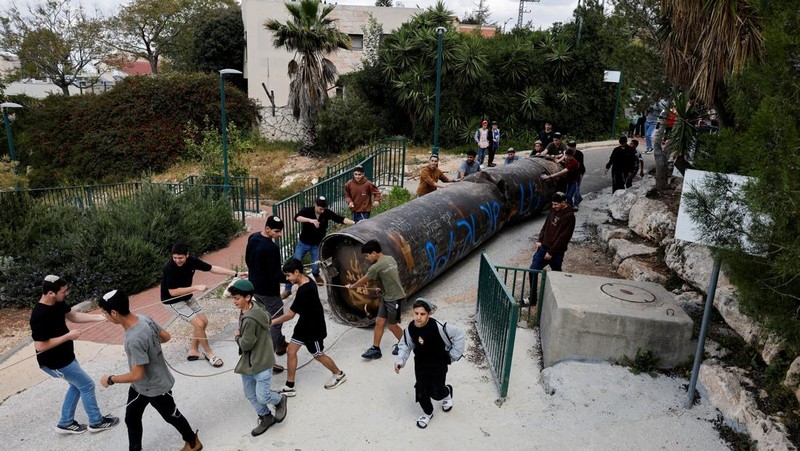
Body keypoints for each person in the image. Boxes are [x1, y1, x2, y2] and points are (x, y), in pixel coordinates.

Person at [98, 290, 201, 451]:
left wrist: (111, 379)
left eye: (104, 313)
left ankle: (192, 442)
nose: (105, 317)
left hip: (156, 387)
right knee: (131, 417)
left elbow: (136, 375)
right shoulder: (143, 318)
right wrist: (151, 347)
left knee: (171, 416)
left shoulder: (134, 339)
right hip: (140, 387)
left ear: (114, 313)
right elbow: (166, 337)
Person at [30, 275, 120, 435]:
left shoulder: (58, 302)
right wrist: (68, 336)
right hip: (55, 362)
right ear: (51, 293)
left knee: (77, 386)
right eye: (63, 291)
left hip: (66, 357)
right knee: (87, 385)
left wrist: (101, 317)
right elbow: (41, 346)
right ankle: (96, 422)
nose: (66, 293)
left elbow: (74, 316)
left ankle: (65, 422)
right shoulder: (39, 315)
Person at [272, 258, 347, 396]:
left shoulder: (305, 290)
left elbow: (289, 315)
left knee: (318, 355)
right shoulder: (306, 280)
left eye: (288, 275)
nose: (287, 279)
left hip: (314, 328)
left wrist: (271, 322)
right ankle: (289, 386)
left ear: (297, 272)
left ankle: (339, 374)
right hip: (304, 324)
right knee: (290, 351)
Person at [161, 242, 243, 367]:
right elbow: (172, 292)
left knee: (203, 322)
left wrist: (236, 274)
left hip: (187, 297)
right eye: (175, 257)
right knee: (199, 324)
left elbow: (212, 268)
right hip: (173, 301)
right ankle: (209, 354)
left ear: (187, 255)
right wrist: (196, 287)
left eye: (180, 257)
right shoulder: (169, 267)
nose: (177, 260)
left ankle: (193, 351)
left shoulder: (192, 261)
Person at [228, 279, 288, 437]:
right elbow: (267, 319)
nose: (234, 301)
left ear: (247, 297)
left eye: (237, 298)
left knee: (263, 396)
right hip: (249, 363)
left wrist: (237, 336)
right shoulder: (255, 306)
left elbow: (246, 344)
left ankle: (279, 399)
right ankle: (266, 417)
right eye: (233, 298)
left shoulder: (249, 319)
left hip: (260, 362)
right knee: (250, 394)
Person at [394, 298, 464, 429]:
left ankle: (446, 392)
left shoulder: (439, 326)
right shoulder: (410, 329)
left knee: (436, 392)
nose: (418, 317)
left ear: (429, 314)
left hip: (439, 363)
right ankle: (427, 412)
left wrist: (453, 356)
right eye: (416, 313)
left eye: (422, 314)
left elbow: (459, 334)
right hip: (421, 364)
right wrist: (400, 360)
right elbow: (405, 345)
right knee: (421, 390)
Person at [346, 240, 407, 360]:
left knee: (392, 325)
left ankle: (405, 344)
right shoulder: (390, 259)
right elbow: (391, 277)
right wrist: (383, 287)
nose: (367, 258)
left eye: (367, 256)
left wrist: (351, 286)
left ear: (374, 253)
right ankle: (375, 349)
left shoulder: (375, 267)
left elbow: (363, 281)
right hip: (387, 296)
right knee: (379, 321)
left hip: (395, 299)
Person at [245, 215, 290, 368]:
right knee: (276, 321)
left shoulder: (253, 237)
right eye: (277, 231)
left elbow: (247, 261)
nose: (279, 234)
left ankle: (280, 343)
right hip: (269, 291)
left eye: (280, 231)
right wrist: (292, 279)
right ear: (268, 229)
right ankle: (268, 359)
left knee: (263, 318)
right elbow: (276, 275)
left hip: (254, 287)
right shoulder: (272, 248)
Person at [289, 196, 355, 288]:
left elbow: (340, 219)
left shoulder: (326, 213)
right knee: (295, 263)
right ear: (315, 205)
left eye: (324, 209)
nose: (322, 211)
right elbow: (297, 217)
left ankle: (316, 275)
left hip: (317, 244)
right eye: (320, 209)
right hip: (303, 243)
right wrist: (310, 220)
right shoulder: (307, 211)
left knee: (316, 266)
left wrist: (354, 223)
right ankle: (288, 288)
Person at [528, 192, 576, 303]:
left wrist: (551, 252)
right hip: (543, 248)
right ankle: (532, 299)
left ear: (563, 202)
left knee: (556, 275)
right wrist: (540, 239)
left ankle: (558, 299)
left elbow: (564, 237)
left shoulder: (569, 216)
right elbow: (545, 226)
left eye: (556, 204)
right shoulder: (553, 210)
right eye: (553, 204)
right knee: (533, 271)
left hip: (556, 252)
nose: (554, 206)